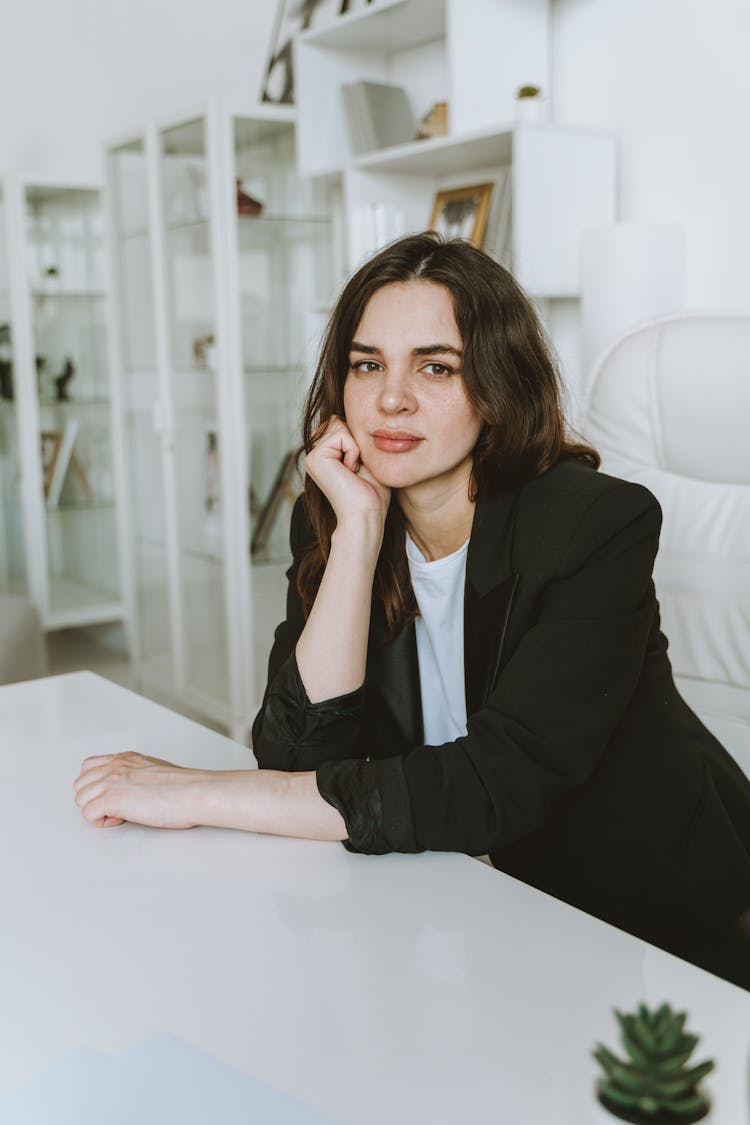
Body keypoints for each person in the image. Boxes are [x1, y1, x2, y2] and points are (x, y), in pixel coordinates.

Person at [74, 233, 750, 990]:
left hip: (645, 934)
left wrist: (200, 792)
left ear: (497, 385)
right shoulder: (336, 512)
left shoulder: (595, 527)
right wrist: (358, 536)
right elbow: (299, 759)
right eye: (368, 364)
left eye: (435, 366)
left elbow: (492, 785)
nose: (391, 399)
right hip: (459, 910)